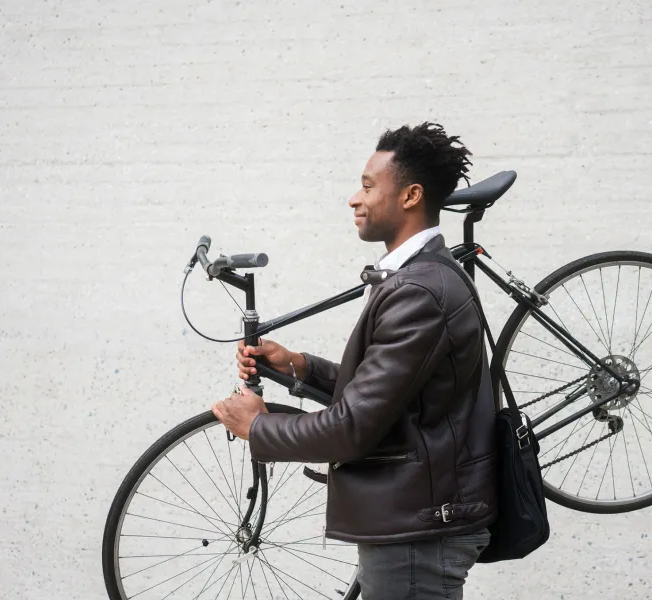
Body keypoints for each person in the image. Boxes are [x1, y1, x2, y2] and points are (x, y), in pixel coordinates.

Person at [212, 122, 498, 599]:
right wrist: (300, 366)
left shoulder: (419, 292)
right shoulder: (419, 278)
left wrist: (257, 428)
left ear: (410, 196)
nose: (354, 198)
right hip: (414, 524)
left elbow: (353, 428)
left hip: (417, 537)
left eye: (368, 186)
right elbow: (393, 397)